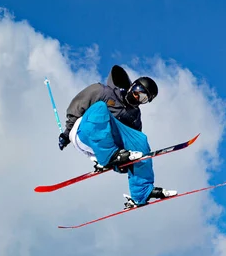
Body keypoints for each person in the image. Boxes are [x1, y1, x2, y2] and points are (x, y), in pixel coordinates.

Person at [58, 65, 177, 208]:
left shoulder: (134, 115)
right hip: (83, 132)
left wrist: (125, 163)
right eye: (137, 92)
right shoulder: (102, 91)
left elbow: (132, 144)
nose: (138, 98)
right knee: (101, 108)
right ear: (132, 86)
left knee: (140, 139)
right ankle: (109, 155)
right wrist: (66, 133)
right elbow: (76, 106)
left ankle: (142, 191)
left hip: (106, 145)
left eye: (144, 99)